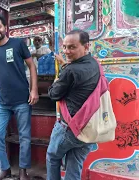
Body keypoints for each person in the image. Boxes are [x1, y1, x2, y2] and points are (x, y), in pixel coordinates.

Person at [0, 13, 39, 180]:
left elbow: (31, 65)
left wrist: (34, 89)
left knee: (24, 137)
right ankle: (5, 168)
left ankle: (23, 171)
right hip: (2, 102)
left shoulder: (18, 44)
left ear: (5, 28)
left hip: (22, 99)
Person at [47, 30, 99, 180]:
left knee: (52, 156)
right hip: (90, 127)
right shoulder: (94, 64)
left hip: (70, 128)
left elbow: (53, 94)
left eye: (72, 47)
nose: (66, 51)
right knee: (74, 164)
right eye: (64, 47)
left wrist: (58, 77)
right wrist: (64, 65)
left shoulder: (71, 71)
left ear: (86, 46)